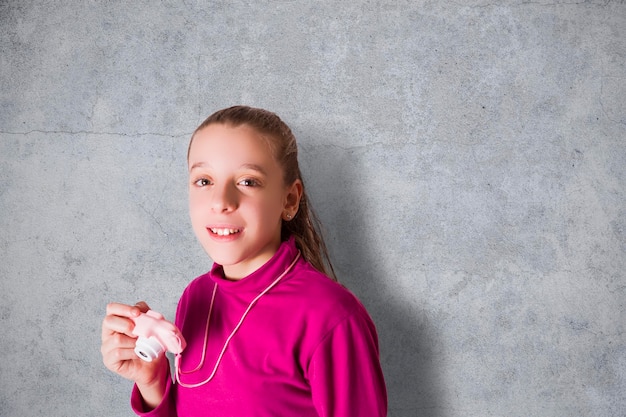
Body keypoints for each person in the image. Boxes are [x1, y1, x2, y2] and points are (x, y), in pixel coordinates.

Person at [101, 105, 388, 416]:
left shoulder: (330, 316)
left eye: (248, 181)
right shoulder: (196, 297)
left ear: (289, 199)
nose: (221, 201)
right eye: (204, 181)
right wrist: (152, 382)